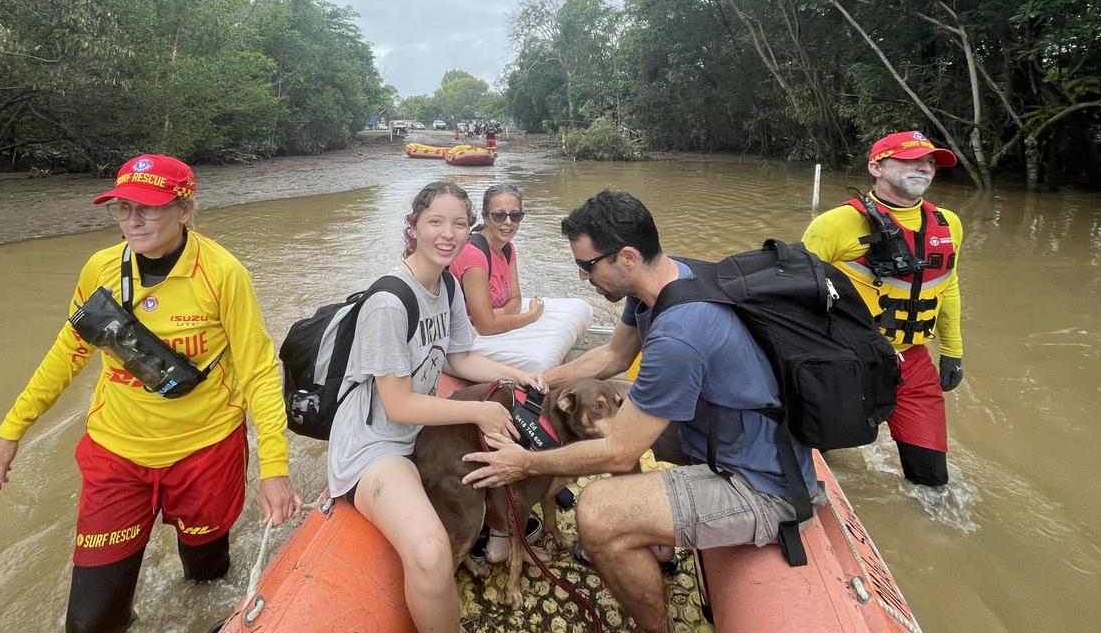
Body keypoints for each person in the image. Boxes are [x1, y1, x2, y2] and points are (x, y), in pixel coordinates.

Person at [461, 190, 816, 633]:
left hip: (758, 481)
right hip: (722, 429)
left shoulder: (679, 335)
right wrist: (544, 380)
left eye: (588, 265)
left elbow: (617, 451)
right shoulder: (662, 283)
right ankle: (658, 545)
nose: (581, 276)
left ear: (626, 257)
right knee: (620, 405)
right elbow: (611, 356)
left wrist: (525, 463)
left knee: (597, 511)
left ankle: (655, 626)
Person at [0, 154, 302, 633]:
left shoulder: (223, 274)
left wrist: (274, 469)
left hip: (205, 451)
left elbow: (257, 371)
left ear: (184, 210)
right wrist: (10, 431)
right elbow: (67, 353)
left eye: (147, 208)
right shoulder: (100, 269)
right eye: (123, 208)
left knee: (206, 575)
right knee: (90, 621)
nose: (133, 220)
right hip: (117, 453)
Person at [325, 181, 546, 633]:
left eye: (460, 223)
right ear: (414, 226)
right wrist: (478, 412)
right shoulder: (389, 301)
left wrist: (517, 376)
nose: (448, 234)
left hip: (415, 431)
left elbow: (460, 356)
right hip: (375, 446)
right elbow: (399, 404)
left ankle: (500, 531)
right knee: (429, 552)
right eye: (436, 222)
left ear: (471, 229)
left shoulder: (446, 285)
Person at [802, 131, 965, 487]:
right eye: (910, 159)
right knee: (812, 460)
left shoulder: (948, 223)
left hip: (912, 361)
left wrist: (953, 352)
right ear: (876, 166)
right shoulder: (834, 224)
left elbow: (947, 285)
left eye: (930, 161)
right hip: (846, 361)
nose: (924, 167)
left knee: (931, 480)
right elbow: (796, 295)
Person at [449, 183, 594, 371]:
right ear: (486, 216)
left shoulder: (507, 249)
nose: (508, 222)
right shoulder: (474, 254)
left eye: (515, 215)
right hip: (462, 336)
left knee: (579, 306)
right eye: (499, 215)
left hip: (487, 322)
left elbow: (516, 300)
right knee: (540, 361)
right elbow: (485, 326)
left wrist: (496, 314)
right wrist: (532, 315)